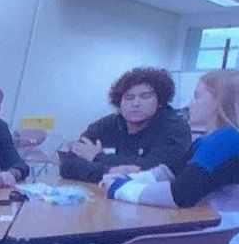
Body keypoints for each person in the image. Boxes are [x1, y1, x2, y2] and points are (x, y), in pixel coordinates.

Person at [105, 68, 239, 244]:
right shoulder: (232, 136)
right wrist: (132, 179)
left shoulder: (225, 140)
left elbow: (180, 194)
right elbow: (172, 171)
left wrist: (120, 189)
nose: (190, 104)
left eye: (197, 97)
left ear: (218, 102)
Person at [56, 67, 192, 185]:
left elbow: (156, 170)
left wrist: (97, 157)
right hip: (107, 195)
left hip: (159, 204)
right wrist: (109, 171)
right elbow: (68, 165)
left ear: (160, 101)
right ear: (119, 103)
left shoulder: (174, 127)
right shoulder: (108, 124)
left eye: (145, 97)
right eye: (128, 97)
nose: (136, 103)